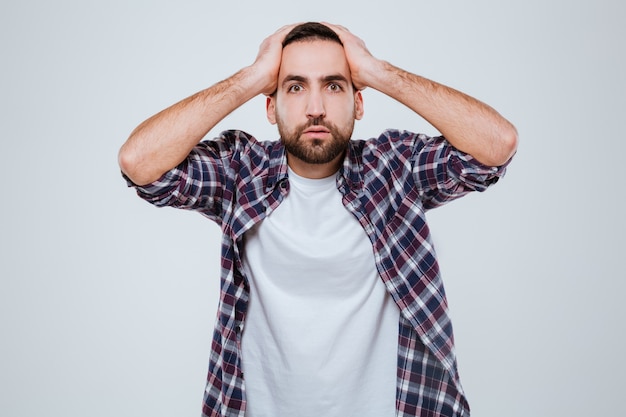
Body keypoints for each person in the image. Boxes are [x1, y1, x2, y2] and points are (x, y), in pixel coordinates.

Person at [119, 22, 517, 417]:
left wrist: (378, 71)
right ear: (270, 106)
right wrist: (253, 75)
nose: (315, 108)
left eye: (334, 85)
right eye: (294, 87)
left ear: (359, 103)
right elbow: (140, 163)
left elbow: (495, 146)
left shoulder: (395, 169)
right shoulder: (241, 172)